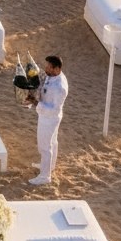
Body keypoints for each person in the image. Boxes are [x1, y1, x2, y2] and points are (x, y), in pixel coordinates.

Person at [28, 56, 68, 186]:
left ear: (57, 69)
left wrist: (36, 103)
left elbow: (54, 110)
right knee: (53, 142)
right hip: (46, 116)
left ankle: (45, 176)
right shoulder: (52, 76)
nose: (46, 69)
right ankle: (50, 166)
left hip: (49, 119)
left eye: (49, 67)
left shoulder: (60, 87)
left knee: (45, 147)